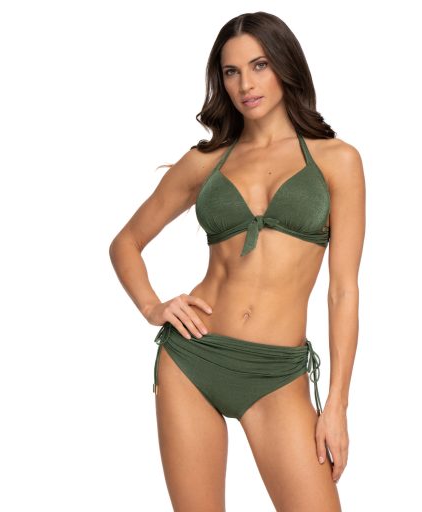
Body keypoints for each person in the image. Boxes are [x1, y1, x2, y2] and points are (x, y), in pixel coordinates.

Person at [109, 11, 365, 512]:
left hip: (277, 374)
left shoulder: (338, 160)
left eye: (259, 65)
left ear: (285, 65)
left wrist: (336, 403)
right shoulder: (207, 161)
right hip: (192, 360)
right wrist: (153, 307)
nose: (246, 84)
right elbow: (126, 242)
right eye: (231, 71)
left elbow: (343, 290)